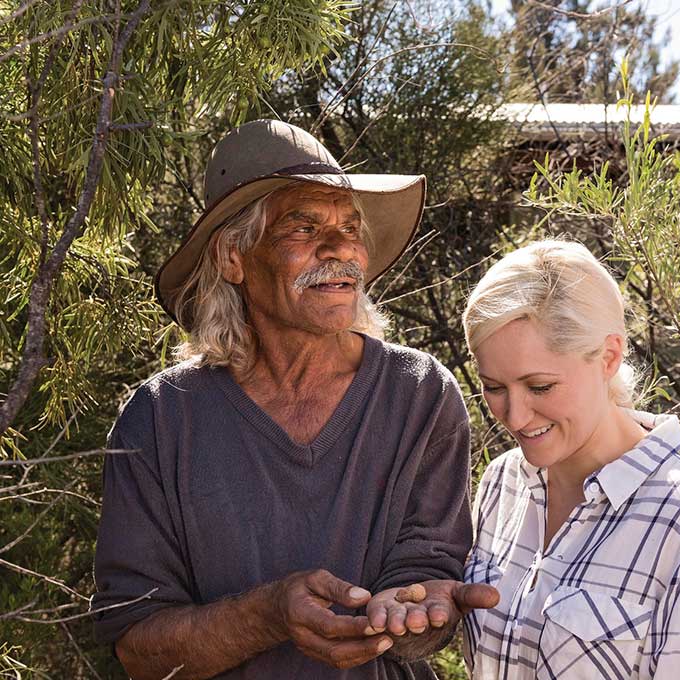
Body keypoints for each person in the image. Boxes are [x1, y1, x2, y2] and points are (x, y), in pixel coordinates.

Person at [90, 119, 497, 679]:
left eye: (350, 228)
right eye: (303, 229)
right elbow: (137, 646)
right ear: (233, 257)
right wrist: (269, 616)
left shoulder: (420, 394)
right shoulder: (160, 419)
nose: (341, 250)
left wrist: (416, 613)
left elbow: (424, 567)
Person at [459, 240, 680, 680]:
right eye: (494, 387)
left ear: (609, 356)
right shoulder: (502, 481)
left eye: (540, 387)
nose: (516, 416)